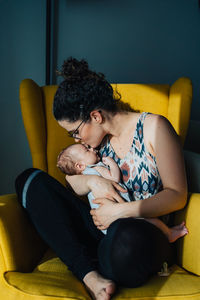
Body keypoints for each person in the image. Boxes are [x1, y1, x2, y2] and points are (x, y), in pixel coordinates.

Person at [15, 57, 188, 300]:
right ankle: (89, 275)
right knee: (29, 180)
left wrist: (120, 212)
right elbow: (71, 184)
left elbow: (177, 195)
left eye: (75, 132)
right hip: (101, 229)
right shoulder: (96, 146)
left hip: (142, 233)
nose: (76, 140)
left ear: (96, 116)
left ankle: (87, 259)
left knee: (124, 241)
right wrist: (94, 182)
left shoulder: (155, 128)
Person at [57, 143, 188, 239]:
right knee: (151, 221)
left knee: (146, 226)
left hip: (111, 223)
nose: (92, 149)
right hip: (116, 216)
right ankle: (169, 234)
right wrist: (111, 163)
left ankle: (168, 232)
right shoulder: (95, 169)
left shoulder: (84, 175)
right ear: (80, 166)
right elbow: (114, 178)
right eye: (87, 150)